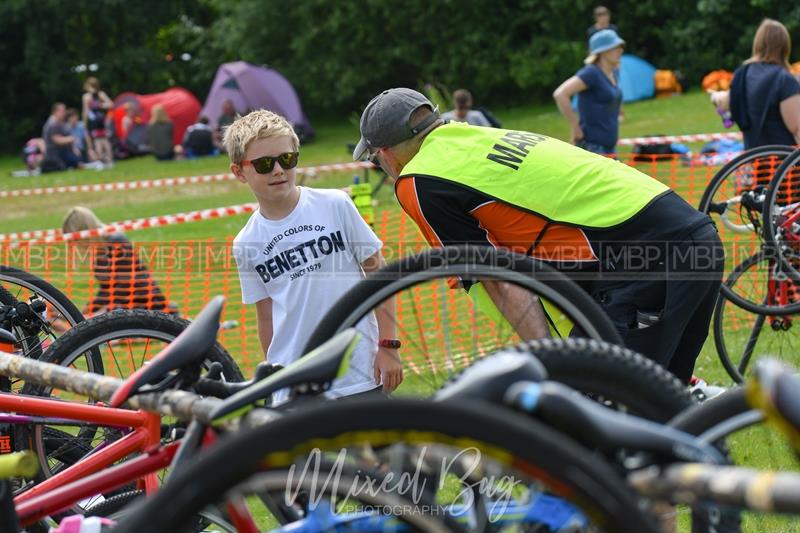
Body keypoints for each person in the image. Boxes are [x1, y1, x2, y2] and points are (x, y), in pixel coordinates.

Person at [353, 88, 724, 385]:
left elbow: (496, 278)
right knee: (661, 403)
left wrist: (549, 360)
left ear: (385, 153)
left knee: (603, 404)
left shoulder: (419, 179)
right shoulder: (472, 136)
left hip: (641, 255)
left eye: (375, 160)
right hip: (692, 232)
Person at [225, 109, 402, 398]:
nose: (279, 170)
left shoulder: (335, 204)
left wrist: (389, 346)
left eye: (287, 159)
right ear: (239, 172)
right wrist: (274, 378)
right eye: (264, 164)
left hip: (360, 371)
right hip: (296, 383)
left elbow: (380, 274)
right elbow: (266, 316)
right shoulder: (245, 242)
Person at [61, 207, 177, 317]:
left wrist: (102, 309)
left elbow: (124, 285)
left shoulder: (116, 241)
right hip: (121, 304)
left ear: (85, 231)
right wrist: (90, 308)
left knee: (95, 320)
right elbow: (107, 289)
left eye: (76, 239)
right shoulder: (98, 251)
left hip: (144, 303)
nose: (76, 244)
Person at [710, 19, 800, 148]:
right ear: (785, 46)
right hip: (784, 161)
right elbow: (797, 127)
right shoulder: (784, 79)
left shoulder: (741, 74)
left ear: (757, 43)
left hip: (753, 158)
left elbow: (725, 102)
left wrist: (714, 97)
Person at [553, 29, 624, 155]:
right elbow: (560, 94)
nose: (620, 50)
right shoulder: (591, 73)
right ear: (603, 51)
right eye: (615, 47)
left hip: (610, 147)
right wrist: (576, 128)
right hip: (593, 148)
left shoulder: (613, 72)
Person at [82, 77, 114, 167]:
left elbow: (85, 111)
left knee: (97, 141)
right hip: (102, 119)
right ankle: (110, 161)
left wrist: (85, 122)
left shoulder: (86, 97)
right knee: (105, 140)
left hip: (94, 121)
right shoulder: (100, 94)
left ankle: (101, 162)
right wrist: (101, 105)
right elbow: (111, 104)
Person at [41, 103, 82, 173]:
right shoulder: (53, 124)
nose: (64, 113)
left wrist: (73, 148)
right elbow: (57, 140)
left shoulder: (60, 123)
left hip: (62, 152)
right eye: (62, 111)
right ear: (55, 112)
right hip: (55, 154)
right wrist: (71, 139)